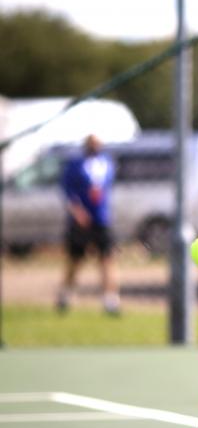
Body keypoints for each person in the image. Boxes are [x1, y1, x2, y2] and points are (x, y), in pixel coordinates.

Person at [57, 134, 120, 315]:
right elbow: (68, 191)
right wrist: (77, 211)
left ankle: (110, 300)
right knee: (75, 259)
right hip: (81, 220)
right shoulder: (75, 165)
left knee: (107, 258)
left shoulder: (107, 163)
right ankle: (65, 295)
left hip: (101, 219)